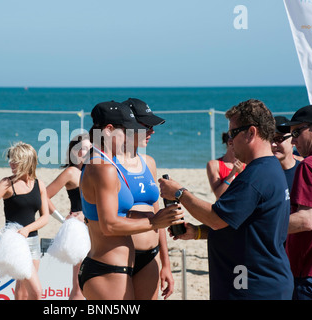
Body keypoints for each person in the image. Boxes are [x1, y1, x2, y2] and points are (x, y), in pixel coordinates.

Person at [159, 99, 293, 299]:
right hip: (261, 282)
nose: (230, 141)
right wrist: (196, 232)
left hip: (252, 287)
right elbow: (241, 225)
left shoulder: (256, 176)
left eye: (232, 133)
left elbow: (216, 218)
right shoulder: (270, 168)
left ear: (251, 133)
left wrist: (179, 193)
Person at [78, 101, 184, 300]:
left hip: (122, 264)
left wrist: (161, 217)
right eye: (127, 130)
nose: (130, 135)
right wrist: (154, 221)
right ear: (109, 130)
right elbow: (108, 225)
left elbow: (118, 213)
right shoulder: (103, 167)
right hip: (108, 268)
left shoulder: (105, 163)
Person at [116, 98, 174, 300]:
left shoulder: (148, 162)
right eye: (146, 125)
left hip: (150, 255)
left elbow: (159, 216)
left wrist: (165, 263)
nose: (152, 130)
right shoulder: (108, 164)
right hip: (119, 256)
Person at [0, 142, 50, 300]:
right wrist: (0, 234)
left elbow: (45, 217)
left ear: (27, 161)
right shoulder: (7, 183)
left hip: (33, 242)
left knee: (22, 290)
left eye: (15, 160)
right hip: (16, 245)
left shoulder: (39, 184)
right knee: (37, 292)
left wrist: (27, 229)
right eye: (10, 159)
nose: (10, 163)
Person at [46, 133, 91, 300]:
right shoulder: (71, 172)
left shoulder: (97, 171)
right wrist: (62, 218)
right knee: (79, 285)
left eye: (90, 149)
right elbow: (43, 196)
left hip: (98, 227)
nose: (87, 152)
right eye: (83, 149)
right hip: (79, 230)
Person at [281, 105, 312, 300]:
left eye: (296, 132)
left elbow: (306, 220)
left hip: (308, 274)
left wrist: (260, 224)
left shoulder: (309, 165)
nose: (293, 140)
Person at [206, 132, 245, 200]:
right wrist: (232, 173)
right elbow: (219, 196)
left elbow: (249, 192)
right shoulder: (214, 165)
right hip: (224, 208)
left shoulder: (246, 163)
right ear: (229, 143)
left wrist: (241, 172)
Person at [272, 116, 301, 192]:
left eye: (279, 139)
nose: (273, 144)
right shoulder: (262, 174)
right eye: (269, 139)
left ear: (293, 140)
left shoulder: (304, 172)